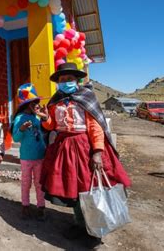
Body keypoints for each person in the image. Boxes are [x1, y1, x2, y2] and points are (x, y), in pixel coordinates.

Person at [39, 62, 131, 243]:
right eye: (62, 79)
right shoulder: (55, 100)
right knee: (73, 188)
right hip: (63, 146)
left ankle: (94, 230)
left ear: (77, 80)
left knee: (89, 187)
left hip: (84, 147)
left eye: (70, 78)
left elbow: (95, 126)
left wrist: (97, 151)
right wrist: (45, 118)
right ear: (58, 82)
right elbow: (52, 126)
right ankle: (79, 223)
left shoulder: (86, 97)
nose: (66, 82)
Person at [11, 83, 47, 221]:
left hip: (40, 155)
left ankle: (41, 207)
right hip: (26, 157)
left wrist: (44, 117)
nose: (36, 105)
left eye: (37, 102)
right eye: (34, 103)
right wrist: (22, 129)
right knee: (26, 182)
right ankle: (25, 205)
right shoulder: (19, 119)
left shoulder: (37, 117)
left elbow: (45, 130)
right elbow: (16, 137)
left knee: (39, 183)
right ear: (26, 105)